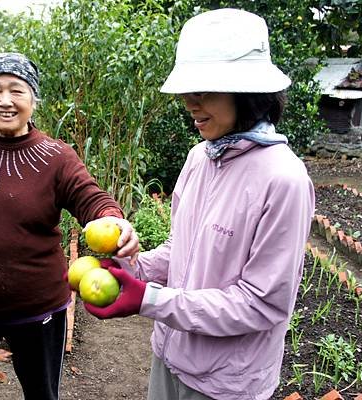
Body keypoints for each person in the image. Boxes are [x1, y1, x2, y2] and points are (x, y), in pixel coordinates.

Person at [83, 8, 315, 400]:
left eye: (203, 90)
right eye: (187, 91)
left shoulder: (284, 179)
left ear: (247, 91)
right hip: (169, 359)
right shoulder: (200, 157)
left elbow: (261, 304)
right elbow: (184, 251)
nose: (190, 103)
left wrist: (149, 299)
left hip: (227, 383)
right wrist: (132, 265)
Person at [0, 52, 139, 400]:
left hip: (37, 310)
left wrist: (112, 220)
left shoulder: (56, 156)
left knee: (42, 394)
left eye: (16, 90)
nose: (5, 101)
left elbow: (90, 197)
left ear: (33, 98)